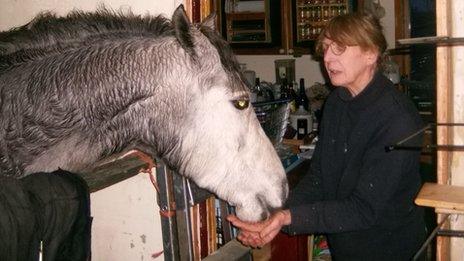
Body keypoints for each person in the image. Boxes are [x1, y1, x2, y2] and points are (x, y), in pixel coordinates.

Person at [228, 13, 426, 260]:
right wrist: (274, 217)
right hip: (346, 249)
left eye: (339, 48)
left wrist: (288, 218)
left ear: (370, 54)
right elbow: (321, 177)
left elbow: (364, 209)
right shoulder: (337, 102)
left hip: (392, 251)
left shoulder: (398, 119)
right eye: (326, 48)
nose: (327, 58)